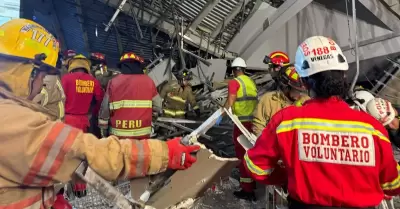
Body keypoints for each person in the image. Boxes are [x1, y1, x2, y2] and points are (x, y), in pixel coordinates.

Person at [0, 18, 200, 208]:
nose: (40, 85)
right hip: (138, 135)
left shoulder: (104, 81)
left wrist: (103, 128)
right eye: (42, 76)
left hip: (107, 132)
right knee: (126, 169)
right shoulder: (17, 122)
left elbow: (103, 109)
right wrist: (166, 151)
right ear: (28, 72)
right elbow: (88, 153)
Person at [244, 36, 400, 209]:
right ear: (344, 75)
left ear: (303, 81)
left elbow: (256, 167)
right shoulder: (374, 129)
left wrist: (288, 176)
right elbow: (393, 184)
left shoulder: (287, 121)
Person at [219, 57, 258, 200]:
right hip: (253, 123)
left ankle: (247, 191)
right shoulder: (250, 81)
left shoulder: (234, 82)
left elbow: (230, 101)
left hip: (241, 124)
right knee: (251, 154)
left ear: (234, 70)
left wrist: (221, 115)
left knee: (242, 156)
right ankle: (252, 184)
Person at [98, 52, 162, 139]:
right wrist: (151, 120)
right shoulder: (149, 81)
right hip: (142, 136)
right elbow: (158, 106)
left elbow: (105, 108)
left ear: (122, 66)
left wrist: (103, 130)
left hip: (118, 137)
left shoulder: (113, 82)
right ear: (138, 65)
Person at [252, 65, 309, 136]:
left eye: (302, 91)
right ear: (286, 87)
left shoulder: (306, 101)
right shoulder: (269, 100)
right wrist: (265, 143)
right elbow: (258, 125)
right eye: (297, 90)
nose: (300, 94)